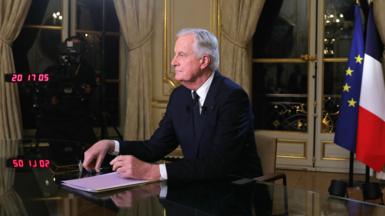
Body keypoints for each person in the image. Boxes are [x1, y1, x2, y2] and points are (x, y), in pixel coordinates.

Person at [83, 28, 262, 181]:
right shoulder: (179, 96)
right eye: (175, 54)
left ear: (204, 61)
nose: (173, 62)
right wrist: (111, 145)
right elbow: (154, 148)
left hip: (236, 191)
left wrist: (151, 171)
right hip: (198, 187)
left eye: (181, 55)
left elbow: (219, 164)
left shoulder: (233, 97)